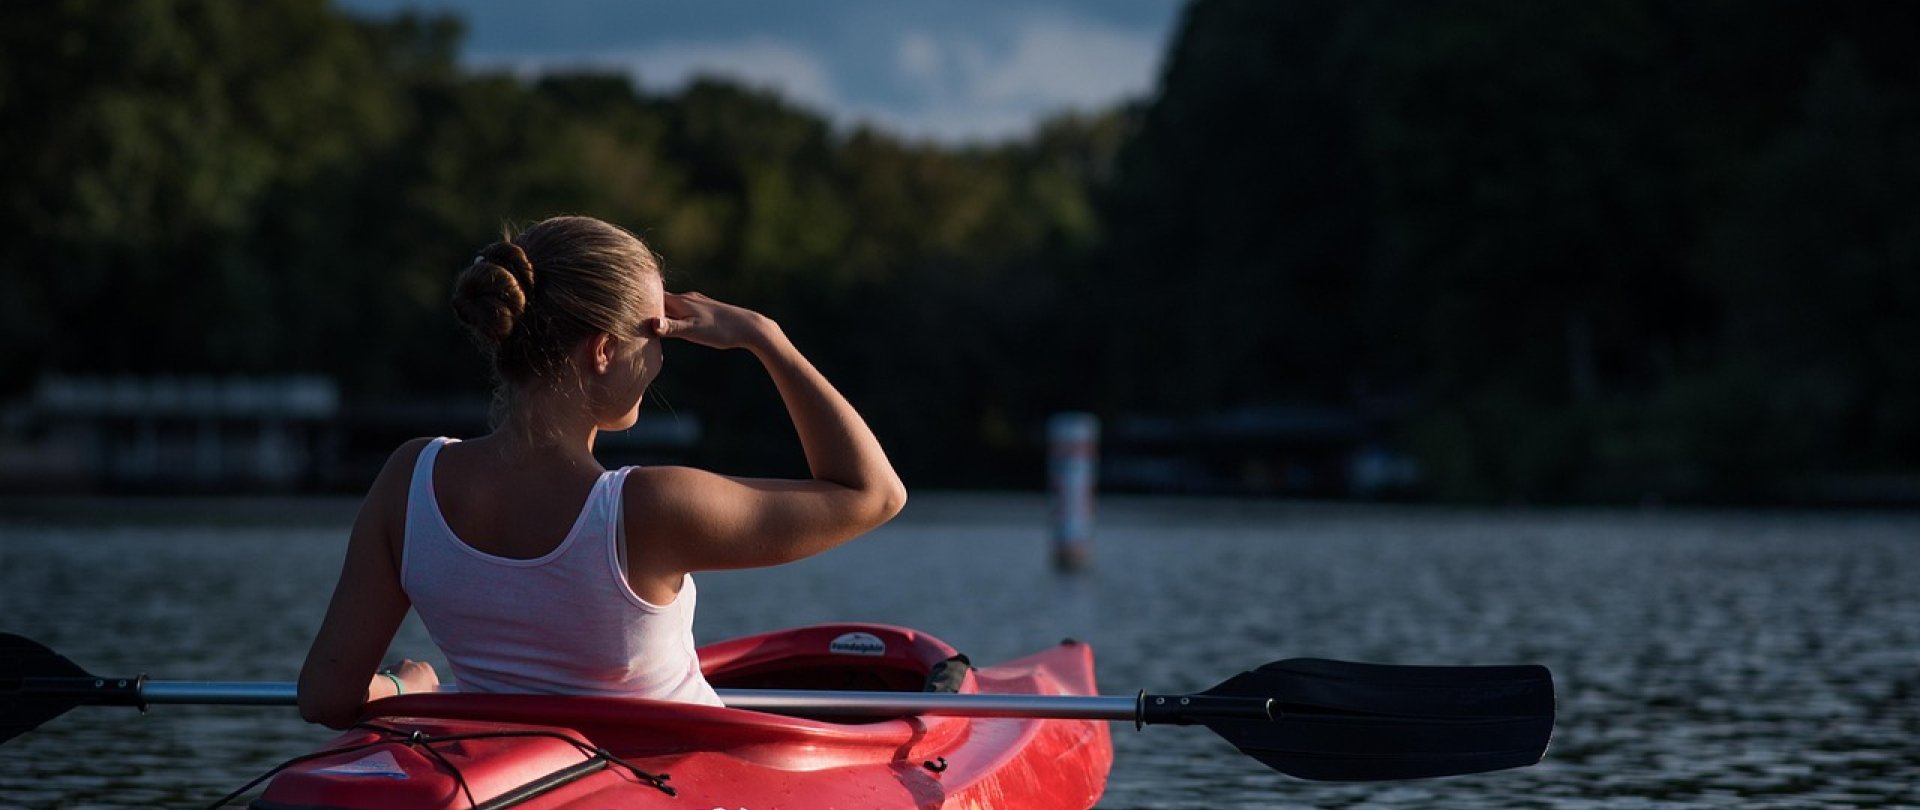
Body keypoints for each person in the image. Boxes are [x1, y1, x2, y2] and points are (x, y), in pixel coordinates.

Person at [297, 215, 907, 729]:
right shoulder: (649, 507)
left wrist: (409, 691)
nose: (663, 354)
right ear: (604, 350)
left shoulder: (410, 478)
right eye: (657, 331)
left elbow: (327, 697)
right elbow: (874, 493)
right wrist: (765, 339)